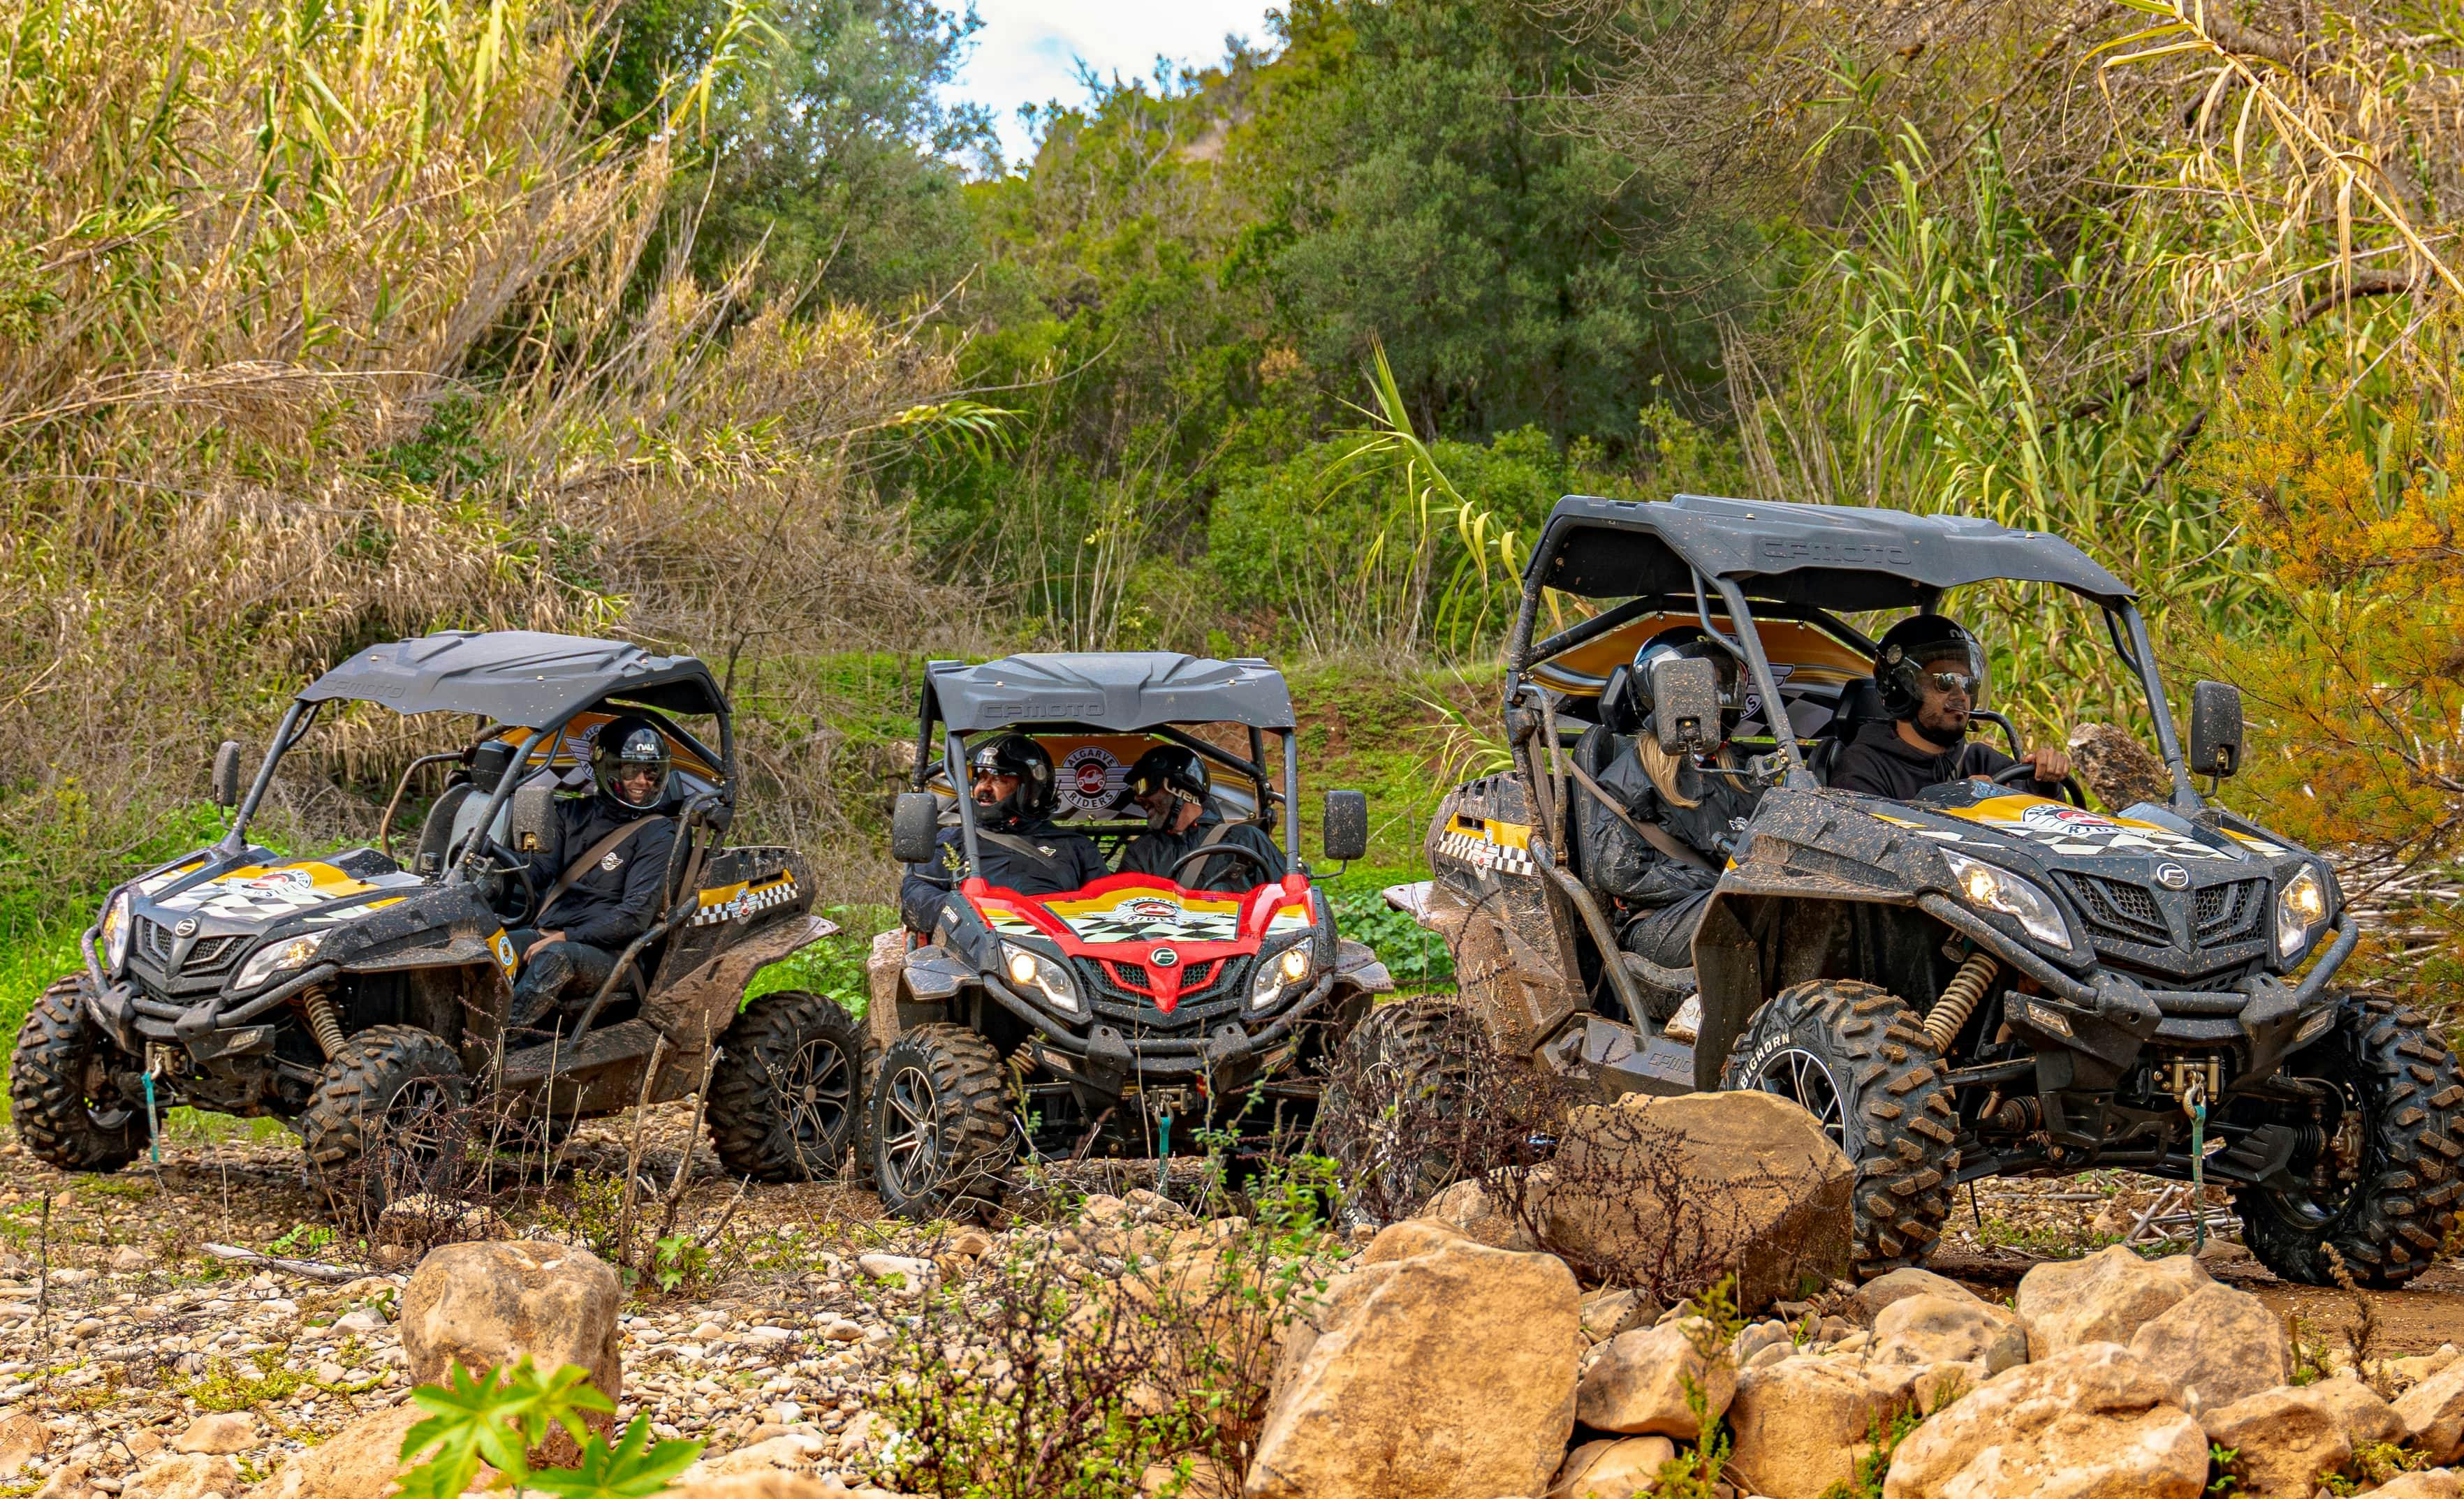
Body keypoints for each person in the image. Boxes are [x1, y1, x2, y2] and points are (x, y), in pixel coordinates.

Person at [1577, 634, 1765, 991]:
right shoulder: (1629, 778)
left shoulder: (1741, 771)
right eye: (1702, 689)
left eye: (1724, 684)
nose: (1717, 699)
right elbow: (1621, 874)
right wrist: (1721, 884)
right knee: (1751, 910)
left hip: (1734, 903)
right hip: (1658, 923)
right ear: (1663, 696)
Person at [506, 716, 680, 1028]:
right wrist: (499, 868)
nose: (643, 781)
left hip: (612, 955)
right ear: (608, 768)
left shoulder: (657, 831)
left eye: (652, 773)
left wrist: (566, 936)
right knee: (488, 946)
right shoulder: (572, 813)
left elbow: (634, 916)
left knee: (555, 958)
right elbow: (539, 873)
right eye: (631, 770)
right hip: (550, 934)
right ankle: (457, 1030)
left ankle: (496, 1046)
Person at [1831, 615, 2072, 800]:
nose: (1960, 695)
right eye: (1944, 681)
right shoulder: (1862, 767)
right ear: (1901, 688)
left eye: (1967, 683)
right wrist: (1949, 806)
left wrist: (2046, 783)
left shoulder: (1981, 759)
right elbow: (1871, 847)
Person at [900, 734, 1108, 933]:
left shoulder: (1077, 848)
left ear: (1031, 790)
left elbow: (1107, 908)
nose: (984, 788)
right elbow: (916, 890)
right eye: (981, 778)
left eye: (998, 780)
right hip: (978, 954)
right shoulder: (953, 841)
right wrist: (963, 914)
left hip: (1060, 954)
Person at [1111, 746, 1286, 890]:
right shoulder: (1141, 852)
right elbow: (1123, 910)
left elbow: (1290, 901)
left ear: (1178, 787)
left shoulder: (1245, 839)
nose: (1137, 798)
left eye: (1144, 786)